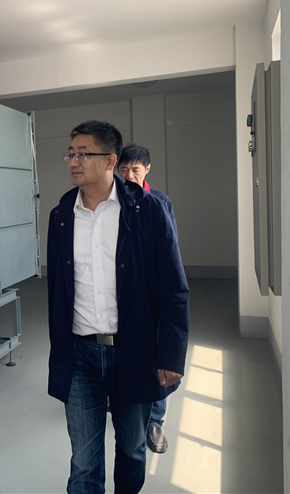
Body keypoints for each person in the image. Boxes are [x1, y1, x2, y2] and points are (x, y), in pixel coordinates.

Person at [47, 120, 189, 493]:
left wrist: (171, 355)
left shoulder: (148, 211)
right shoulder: (62, 216)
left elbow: (174, 287)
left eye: (83, 154)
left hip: (135, 351)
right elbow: (57, 292)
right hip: (80, 355)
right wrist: (59, 351)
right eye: (70, 154)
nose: (73, 161)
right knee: (83, 463)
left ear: (110, 160)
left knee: (131, 451)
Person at [117, 144, 177, 455]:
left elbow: (169, 251)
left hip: (152, 293)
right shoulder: (111, 202)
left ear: (147, 170)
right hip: (122, 294)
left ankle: (155, 420)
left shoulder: (159, 203)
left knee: (155, 357)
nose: (129, 175)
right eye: (124, 169)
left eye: (135, 170)